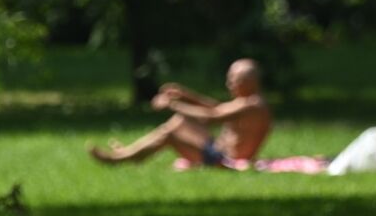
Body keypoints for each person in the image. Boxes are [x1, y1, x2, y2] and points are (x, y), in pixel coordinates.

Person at [88, 58, 272, 168]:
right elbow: (216, 109)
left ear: (250, 81)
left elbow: (210, 117)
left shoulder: (253, 105)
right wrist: (186, 95)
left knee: (172, 130)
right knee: (179, 122)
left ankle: (121, 158)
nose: (229, 84)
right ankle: (131, 154)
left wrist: (172, 104)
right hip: (218, 152)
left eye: (233, 80)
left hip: (224, 161)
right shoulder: (249, 102)